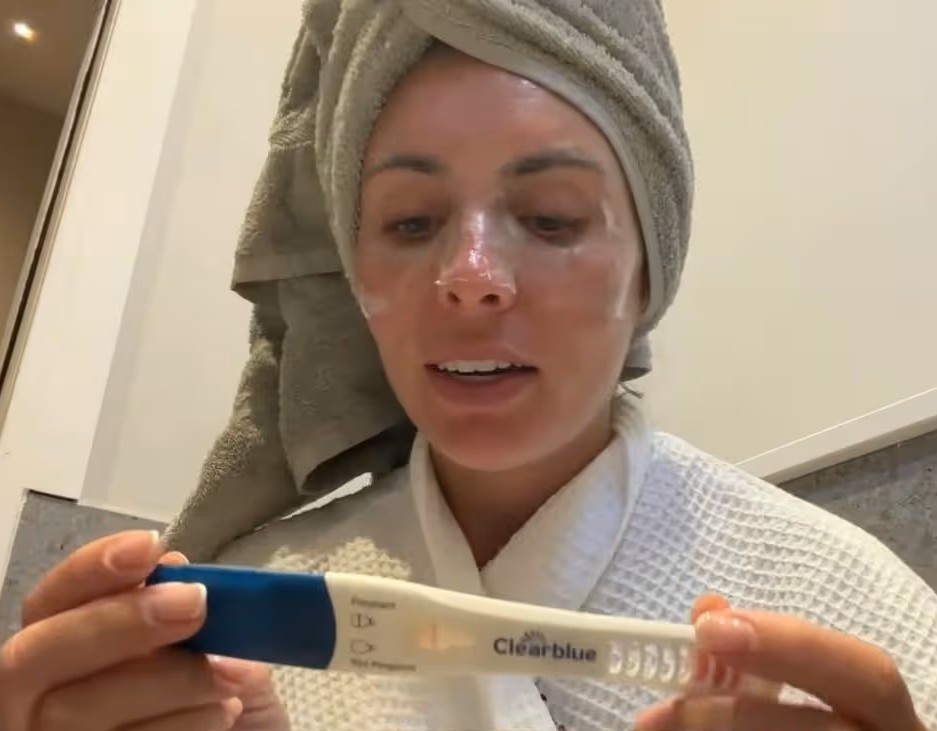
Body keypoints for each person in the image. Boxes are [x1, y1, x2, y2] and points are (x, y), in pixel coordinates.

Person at [1, 3, 935, 730]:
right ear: (355, 269)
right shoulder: (234, 629)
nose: (470, 276)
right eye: (409, 222)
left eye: (551, 218)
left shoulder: (847, 603)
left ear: (652, 268)